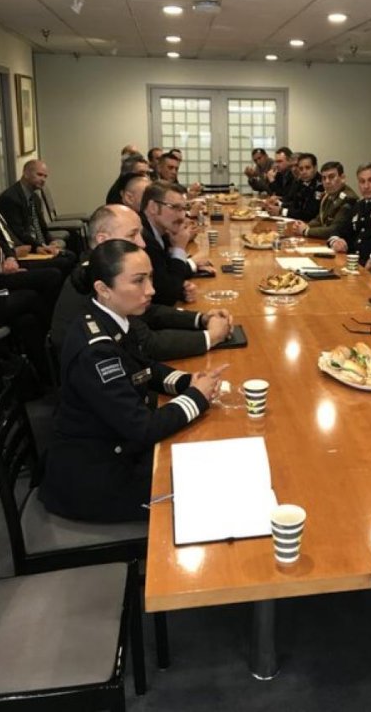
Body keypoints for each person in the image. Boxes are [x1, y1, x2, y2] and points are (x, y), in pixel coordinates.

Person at [39, 240, 224, 523]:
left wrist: (187, 382)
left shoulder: (112, 318)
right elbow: (142, 428)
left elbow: (144, 368)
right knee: (209, 494)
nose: (151, 290)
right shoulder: (97, 350)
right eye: (138, 281)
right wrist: (196, 398)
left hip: (118, 449)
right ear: (104, 289)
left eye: (150, 278)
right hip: (96, 478)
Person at [51, 204, 232, 359]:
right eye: (132, 235)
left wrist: (201, 319)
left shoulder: (101, 266)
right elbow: (146, 343)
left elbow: (148, 312)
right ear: (103, 240)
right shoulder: (93, 279)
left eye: (141, 234)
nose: (142, 244)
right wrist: (211, 336)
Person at [140, 181, 214, 306]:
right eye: (175, 208)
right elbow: (167, 297)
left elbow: (163, 279)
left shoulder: (159, 230)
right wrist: (179, 248)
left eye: (184, 209)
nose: (181, 216)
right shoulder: (143, 238)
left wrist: (179, 288)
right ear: (153, 207)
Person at [0, 160, 75, 275]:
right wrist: (39, 246)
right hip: (24, 250)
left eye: (45, 176)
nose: (43, 179)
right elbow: (18, 232)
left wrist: (51, 242)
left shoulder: (35, 198)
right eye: (39, 175)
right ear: (26, 173)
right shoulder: (10, 198)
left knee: (70, 254)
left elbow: (42, 227)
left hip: (38, 245)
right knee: (63, 263)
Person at [291, 161, 358, 239]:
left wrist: (306, 231)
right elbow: (320, 219)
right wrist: (305, 225)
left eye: (331, 177)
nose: (327, 181)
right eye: (324, 178)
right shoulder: (328, 195)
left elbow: (334, 230)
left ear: (342, 178)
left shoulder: (349, 199)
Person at [266, 152, 323, 221]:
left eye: (308, 168)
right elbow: (295, 203)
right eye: (301, 169)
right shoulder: (302, 181)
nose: (304, 172)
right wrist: (278, 203)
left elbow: (309, 214)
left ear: (315, 168)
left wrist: (282, 211)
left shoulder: (320, 185)